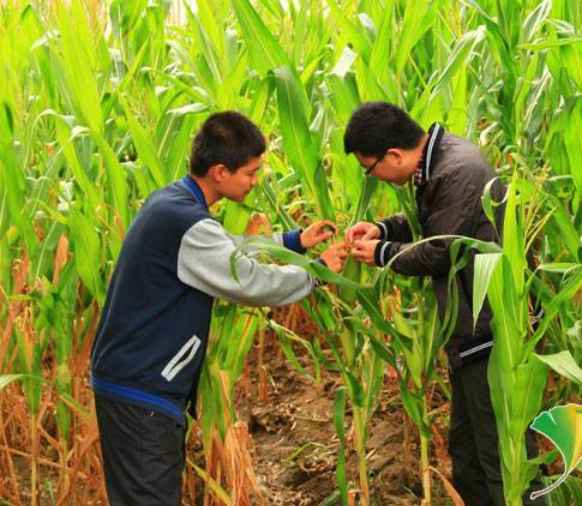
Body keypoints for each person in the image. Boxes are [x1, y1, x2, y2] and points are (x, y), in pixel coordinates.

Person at [90, 111, 348, 506]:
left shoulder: (173, 202)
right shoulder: (186, 221)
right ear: (220, 171)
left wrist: (294, 241)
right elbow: (247, 280)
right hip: (142, 390)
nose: (255, 181)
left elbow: (220, 248)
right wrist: (316, 273)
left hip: (133, 383)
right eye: (251, 173)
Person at [342, 102, 541, 506]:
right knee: (467, 453)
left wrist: (382, 253)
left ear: (393, 156)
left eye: (370, 168)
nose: (374, 178)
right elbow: (431, 219)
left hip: (492, 335)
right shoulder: (437, 164)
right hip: (470, 332)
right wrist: (382, 228)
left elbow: (439, 251)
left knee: (504, 460)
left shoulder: (457, 170)